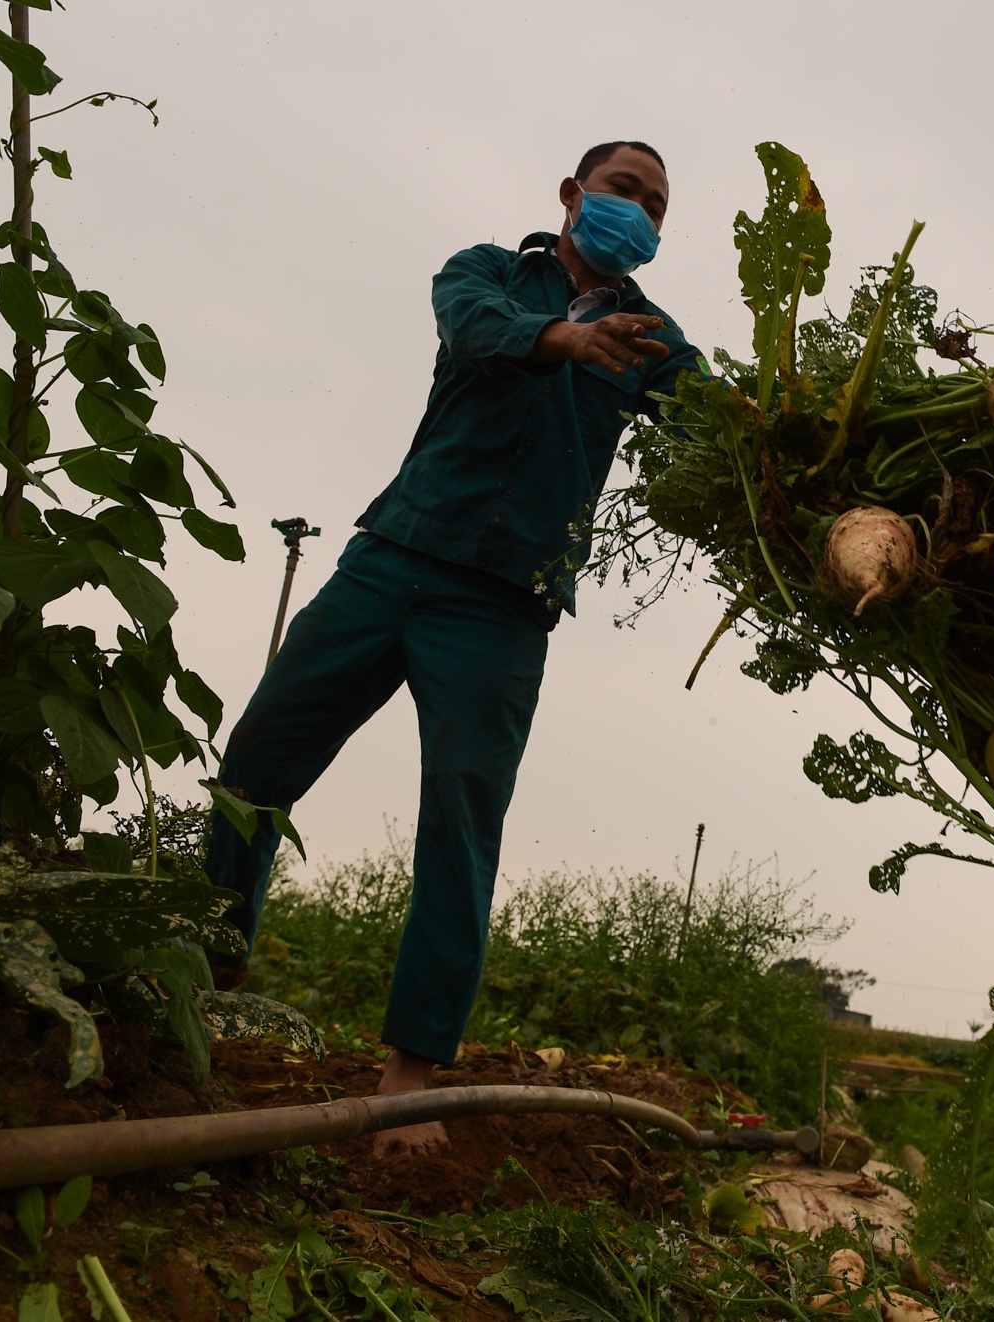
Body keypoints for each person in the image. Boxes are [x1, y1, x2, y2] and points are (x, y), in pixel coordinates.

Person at [204, 141, 702, 1157]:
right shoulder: (484, 272)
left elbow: (722, 428)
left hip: (502, 606)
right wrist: (560, 341)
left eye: (654, 204)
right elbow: (476, 331)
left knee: (460, 826)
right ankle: (204, 988)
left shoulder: (653, 337)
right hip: (392, 558)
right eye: (621, 190)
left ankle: (410, 1076)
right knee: (254, 766)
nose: (636, 212)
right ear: (571, 195)